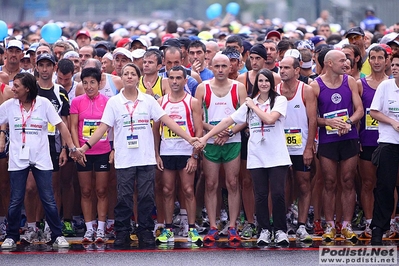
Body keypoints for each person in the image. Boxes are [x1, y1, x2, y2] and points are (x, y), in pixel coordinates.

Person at [77, 63, 199, 246]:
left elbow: (167, 121)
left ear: (138, 77)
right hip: (125, 159)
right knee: (124, 197)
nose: (129, 77)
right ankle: (122, 232)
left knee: (146, 197)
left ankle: (145, 231)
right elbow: (103, 128)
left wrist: (190, 139)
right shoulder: (114, 102)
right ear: (122, 77)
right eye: (125, 74)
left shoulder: (148, 101)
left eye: (132, 74)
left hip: (146, 157)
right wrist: (84, 148)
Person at [198, 69, 291, 246]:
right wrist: (205, 138)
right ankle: (263, 229)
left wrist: (253, 106)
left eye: (267, 81)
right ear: (257, 84)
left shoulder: (279, 100)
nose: (264, 84)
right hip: (257, 155)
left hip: (277, 155)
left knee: (278, 193)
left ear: (272, 83)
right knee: (261, 194)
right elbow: (228, 121)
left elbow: (270, 119)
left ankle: (280, 230)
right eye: (261, 81)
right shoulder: (251, 103)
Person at [0, 72, 82, 249]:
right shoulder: (9, 106)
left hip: (41, 158)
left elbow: (61, 125)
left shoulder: (44, 104)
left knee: (48, 199)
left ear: (27, 89)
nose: (12, 89)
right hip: (17, 159)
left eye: (16, 86)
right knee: (16, 199)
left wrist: (72, 148)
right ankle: (12, 236)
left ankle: (57, 235)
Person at [309, 50, 364, 242]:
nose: (346, 62)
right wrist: (329, 123)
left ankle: (347, 225)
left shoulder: (349, 81)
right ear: (329, 63)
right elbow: (312, 118)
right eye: (342, 60)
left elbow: (360, 110)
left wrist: (348, 122)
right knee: (330, 182)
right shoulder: (315, 86)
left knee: (348, 180)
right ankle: (330, 225)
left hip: (348, 138)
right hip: (328, 140)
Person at [195, 54, 247, 243]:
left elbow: (245, 117)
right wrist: (214, 132)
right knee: (211, 183)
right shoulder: (203, 88)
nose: (220, 69)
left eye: (224, 66)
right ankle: (213, 226)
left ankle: (233, 225)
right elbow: (197, 117)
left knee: (233, 182)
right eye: (216, 66)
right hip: (211, 142)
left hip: (232, 141)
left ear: (230, 67)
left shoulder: (238, 87)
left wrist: (229, 133)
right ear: (210, 65)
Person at [153, 66, 203, 244]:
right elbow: (156, 130)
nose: (174, 82)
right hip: (167, 152)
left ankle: (191, 229)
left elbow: (198, 130)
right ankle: (168, 229)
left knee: (188, 190)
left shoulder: (192, 102)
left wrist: (194, 156)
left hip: (185, 152)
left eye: (178, 78)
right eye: (171, 78)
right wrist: (157, 154)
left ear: (184, 80)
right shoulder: (161, 102)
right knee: (167, 190)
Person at [277, 56, 317, 243]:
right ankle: (282, 222)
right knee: (282, 186)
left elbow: (312, 120)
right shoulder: (275, 90)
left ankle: (301, 225)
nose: (282, 70)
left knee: (303, 184)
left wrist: (309, 147)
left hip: (300, 147)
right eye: (280, 67)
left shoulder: (306, 90)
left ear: (296, 70)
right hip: (280, 148)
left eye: (286, 67)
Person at [70, 67, 111, 243]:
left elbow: (111, 127)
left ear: (100, 83)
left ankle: (101, 229)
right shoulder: (77, 101)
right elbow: (72, 127)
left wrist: (113, 149)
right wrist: (77, 149)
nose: (88, 86)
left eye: (92, 82)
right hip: (82, 153)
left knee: (101, 190)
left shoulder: (109, 102)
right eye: (85, 83)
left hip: (102, 151)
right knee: (86, 191)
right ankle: (89, 229)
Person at [369, 52, 399, 245]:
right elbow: (373, 111)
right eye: (394, 64)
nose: (395, 68)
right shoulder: (385, 86)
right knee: (385, 186)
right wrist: (393, 122)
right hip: (389, 141)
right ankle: (378, 229)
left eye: (398, 65)